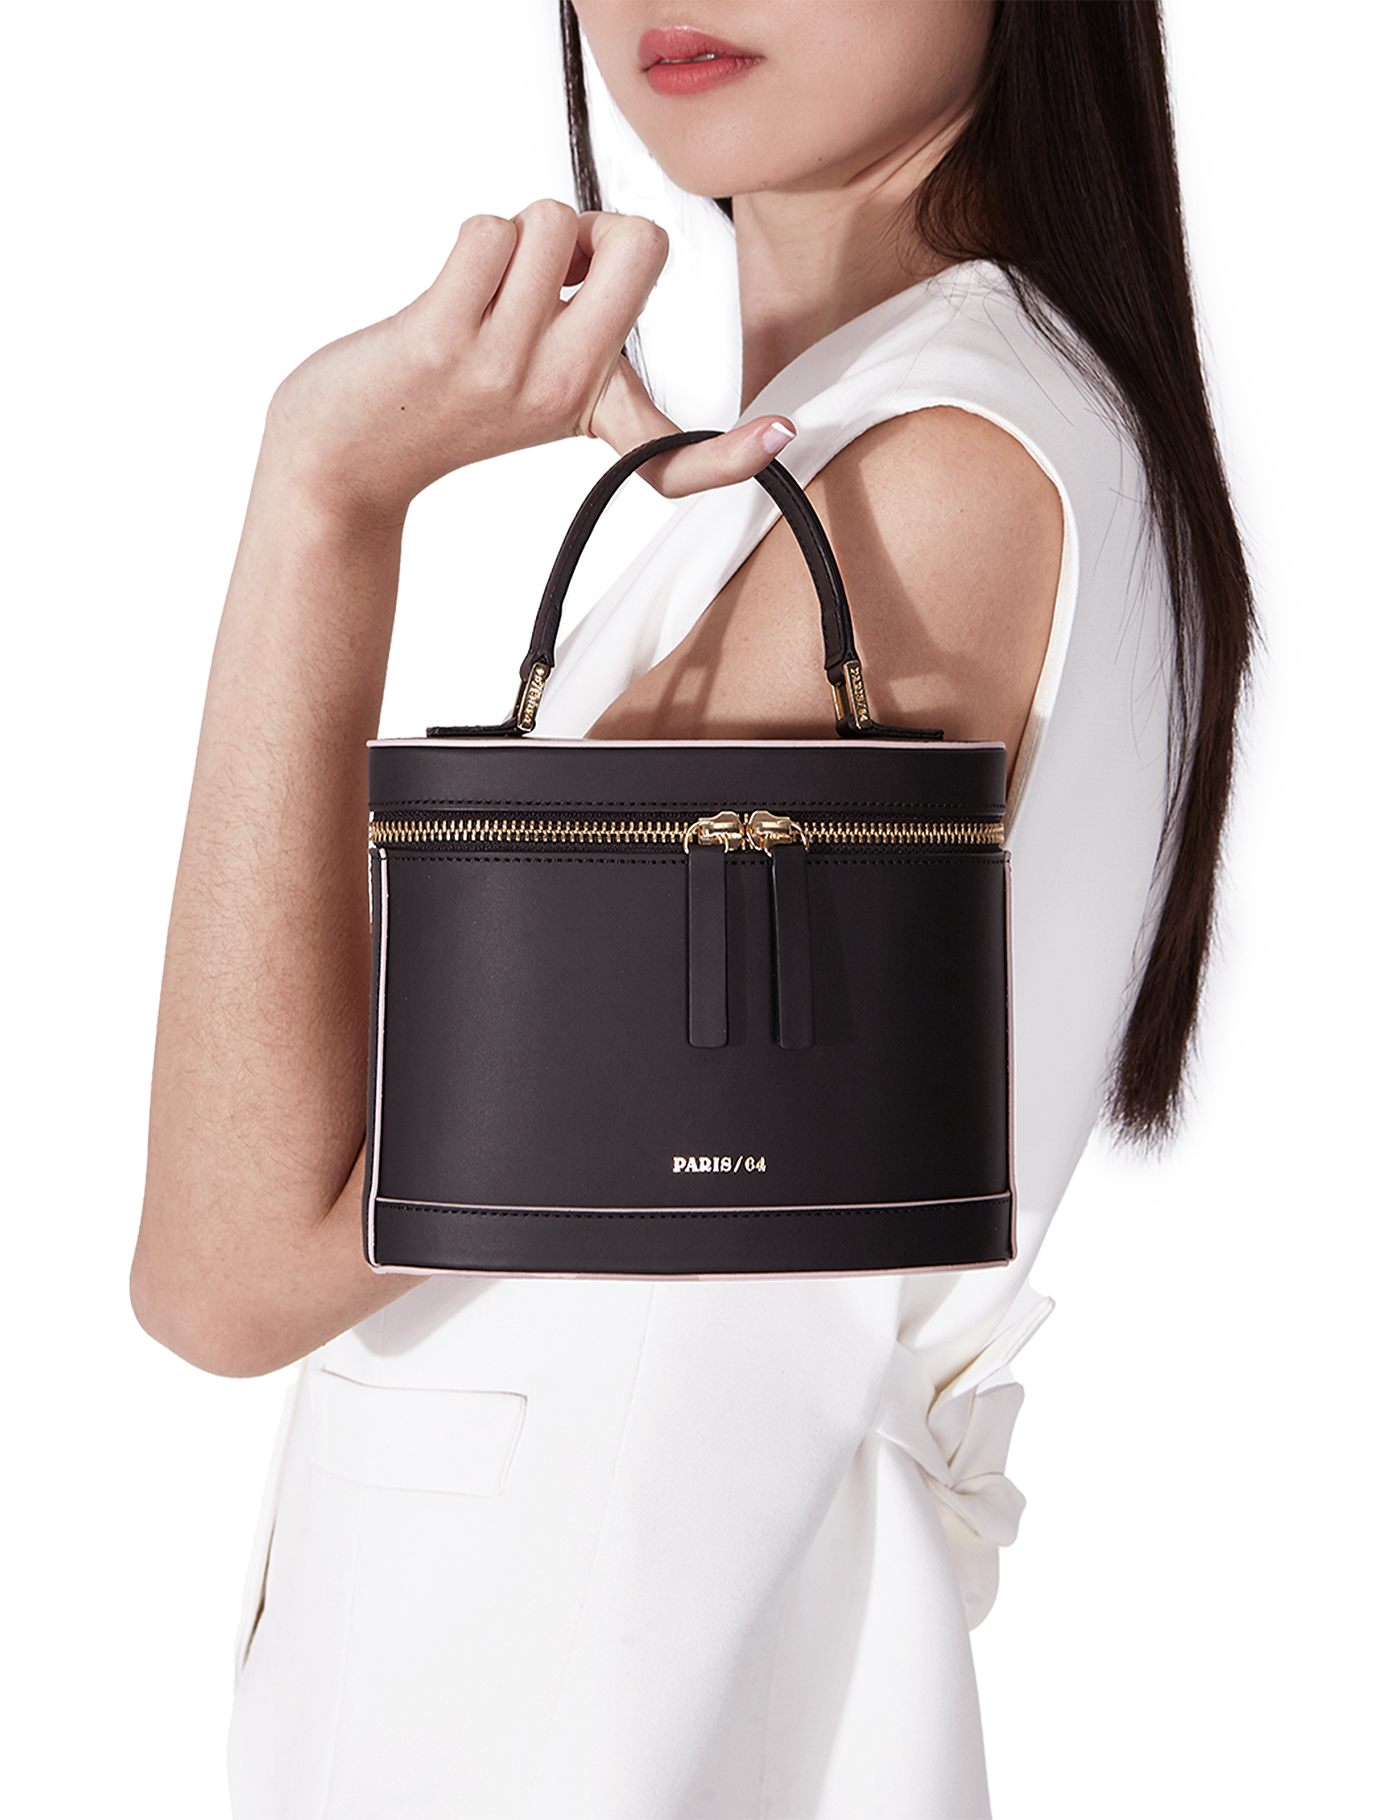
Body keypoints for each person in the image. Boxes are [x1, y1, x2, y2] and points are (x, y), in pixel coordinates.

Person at [130, 2, 1257, 1814]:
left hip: (583, 1691)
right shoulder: (855, 450)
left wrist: (326, 494)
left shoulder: (928, 478)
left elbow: (235, 1268)